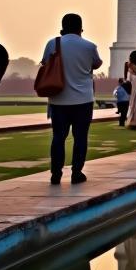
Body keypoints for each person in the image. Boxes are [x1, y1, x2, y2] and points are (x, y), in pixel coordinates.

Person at [41, 14, 102, 185]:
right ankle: (76, 172)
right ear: (80, 28)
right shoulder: (89, 46)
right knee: (80, 137)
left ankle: (56, 173)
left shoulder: (53, 43)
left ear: (62, 27)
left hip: (59, 98)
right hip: (83, 99)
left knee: (58, 138)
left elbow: (45, 63)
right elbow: (96, 64)